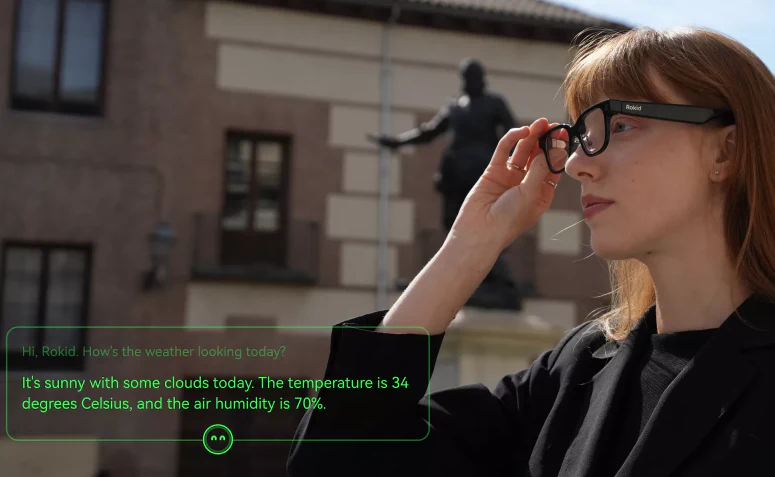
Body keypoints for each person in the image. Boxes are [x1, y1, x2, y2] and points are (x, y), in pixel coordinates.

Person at [287, 26, 775, 477]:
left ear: (726, 151)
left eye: (622, 125)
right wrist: (470, 246)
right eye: (581, 136)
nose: (578, 164)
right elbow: (336, 458)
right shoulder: (575, 370)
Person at [368, 58, 522, 309]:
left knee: (487, 223)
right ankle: (465, 277)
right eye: (467, 76)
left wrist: (515, 169)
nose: (470, 81)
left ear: (482, 78)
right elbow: (429, 131)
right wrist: (397, 142)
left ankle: (498, 279)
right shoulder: (454, 106)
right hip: (455, 175)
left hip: (483, 174)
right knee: (454, 225)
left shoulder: (494, 103)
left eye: (474, 76)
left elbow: (513, 135)